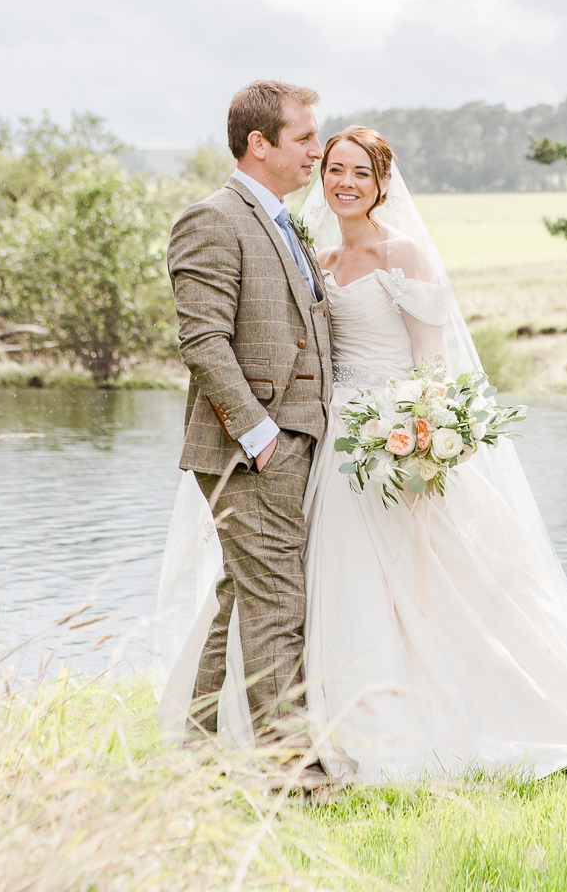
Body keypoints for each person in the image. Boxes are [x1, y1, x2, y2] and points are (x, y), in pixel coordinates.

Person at [156, 124, 567, 782]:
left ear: (382, 184)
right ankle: (311, 723)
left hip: (390, 436)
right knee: (319, 582)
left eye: (359, 172)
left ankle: (420, 715)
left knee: (420, 584)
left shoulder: (402, 253)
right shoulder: (316, 257)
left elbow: (432, 362)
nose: (343, 182)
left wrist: (420, 435)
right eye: (333, 169)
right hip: (330, 442)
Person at [162, 79, 332, 752]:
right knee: (275, 607)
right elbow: (202, 340)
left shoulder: (282, 220)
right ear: (259, 144)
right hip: (254, 449)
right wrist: (260, 436)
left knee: (243, 598)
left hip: (295, 443)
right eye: (305, 138)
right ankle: (291, 771)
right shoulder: (212, 219)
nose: (316, 151)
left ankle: (201, 748)